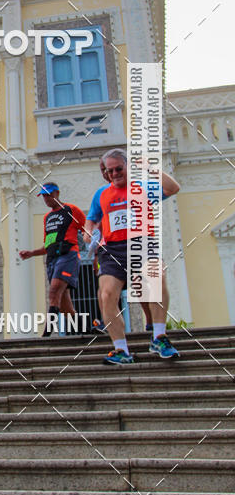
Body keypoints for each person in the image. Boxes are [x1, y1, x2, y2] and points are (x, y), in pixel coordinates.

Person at [84, 148, 181, 365]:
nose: (114, 174)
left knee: (156, 279)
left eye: (118, 168)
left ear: (127, 167)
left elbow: (173, 188)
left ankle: (159, 337)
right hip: (112, 249)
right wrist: (88, 232)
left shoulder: (143, 187)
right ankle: (121, 349)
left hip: (142, 243)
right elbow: (91, 218)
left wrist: (150, 168)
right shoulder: (101, 194)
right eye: (110, 170)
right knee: (107, 294)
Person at [19, 183, 86, 337]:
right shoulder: (47, 218)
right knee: (64, 305)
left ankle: (47, 333)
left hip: (68, 255)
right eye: (44, 196)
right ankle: (86, 330)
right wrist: (31, 253)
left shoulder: (71, 210)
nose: (46, 199)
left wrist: (95, 247)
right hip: (52, 259)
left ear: (57, 193)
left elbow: (87, 229)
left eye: (49, 195)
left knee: (54, 291)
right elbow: (48, 245)